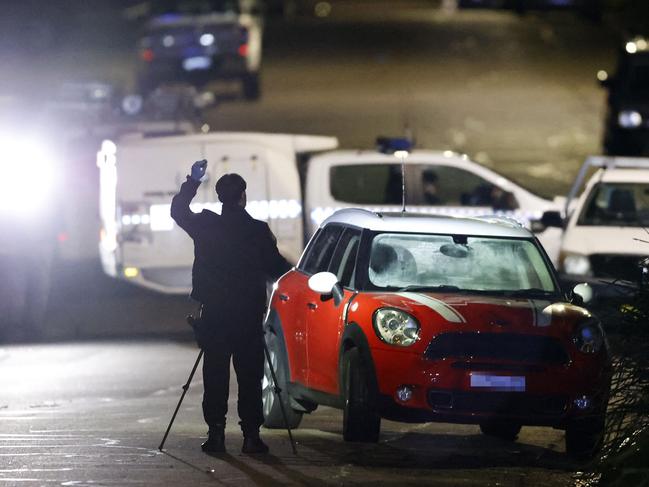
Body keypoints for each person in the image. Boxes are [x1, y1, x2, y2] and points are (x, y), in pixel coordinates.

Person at [170, 160, 292, 455]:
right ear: (243, 196)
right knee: (250, 377)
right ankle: (251, 436)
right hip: (248, 316)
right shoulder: (257, 231)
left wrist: (193, 181)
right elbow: (278, 269)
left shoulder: (206, 225)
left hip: (214, 315)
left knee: (215, 376)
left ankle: (216, 435)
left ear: (222, 197)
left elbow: (178, 211)